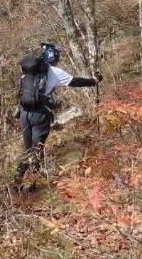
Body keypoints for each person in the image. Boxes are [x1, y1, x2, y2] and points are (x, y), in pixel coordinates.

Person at [15, 42, 99, 180]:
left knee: (27, 149)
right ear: (56, 58)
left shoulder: (29, 70)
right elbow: (75, 82)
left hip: (24, 112)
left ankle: (17, 180)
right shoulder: (55, 72)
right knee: (37, 150)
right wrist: (94, 81)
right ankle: (31, 184)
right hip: (40, 115)